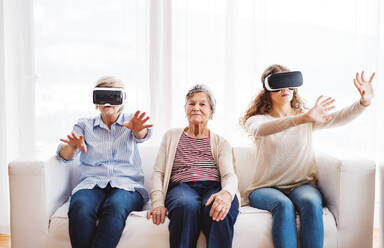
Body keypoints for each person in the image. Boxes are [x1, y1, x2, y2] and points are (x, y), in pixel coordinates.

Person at [241, 64, 375, 248]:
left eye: (289, 84)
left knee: (311, 203)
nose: (285, 90)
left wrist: (363, 103)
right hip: (265, 188)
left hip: (301, 185)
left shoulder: (307, 118)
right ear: (267, 90)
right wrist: (300, 119)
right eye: (279, 85)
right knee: (283, 206)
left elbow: (339, 117)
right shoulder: (257, 120)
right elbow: (259, 130)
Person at [56, 76, 152, 248]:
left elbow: (142, 134)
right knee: (80, 207)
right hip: (92, 184)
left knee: (115, 207)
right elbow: (65, 155)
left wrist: (139, 130)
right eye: (102, 95)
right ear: (96, 101)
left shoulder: (131, 121)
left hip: (127, 186)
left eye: (113, 95)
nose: (107, 101)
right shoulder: (84, 125)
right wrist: (71, 147)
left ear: (122, 99)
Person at [146, 84, 239, 248]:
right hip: (182, 187)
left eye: (202, 104)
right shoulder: (171, 136)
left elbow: (228, 176)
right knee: (186, 206)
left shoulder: (221, 142)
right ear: (186, 109)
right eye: (191, 103)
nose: (196, 107)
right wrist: (158, 203)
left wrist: (226, 193)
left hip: (214, 187)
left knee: (219, 209)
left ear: (211, 112)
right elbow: (158, 173)